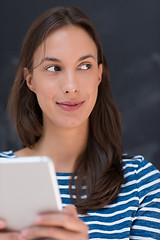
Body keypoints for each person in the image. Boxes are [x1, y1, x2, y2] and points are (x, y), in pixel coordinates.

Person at [0, 6, 160, 240]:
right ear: (30, 80)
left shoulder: (141, 183)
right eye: (53, 68)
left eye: (84, 66)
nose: (71, 85)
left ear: (99, 74)